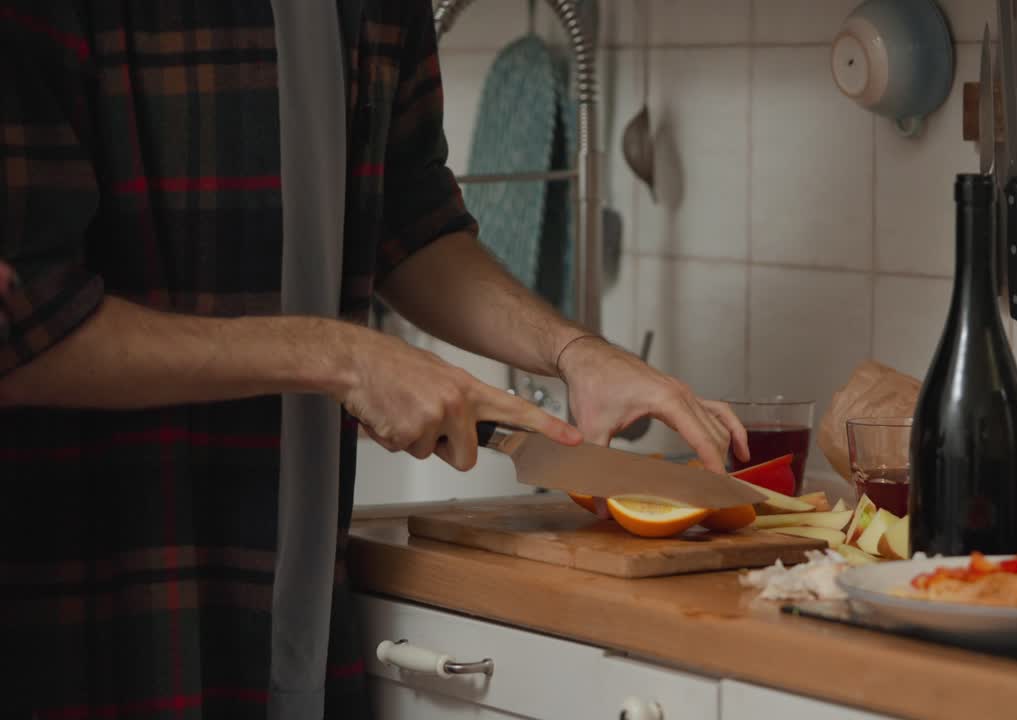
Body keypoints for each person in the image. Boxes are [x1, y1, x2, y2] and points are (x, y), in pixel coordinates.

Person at [0, 3, 748, 718]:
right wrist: (341, 357)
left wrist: (574, 351)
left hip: (297, 599)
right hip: (88, 617)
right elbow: (22, 331)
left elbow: (407, 218)